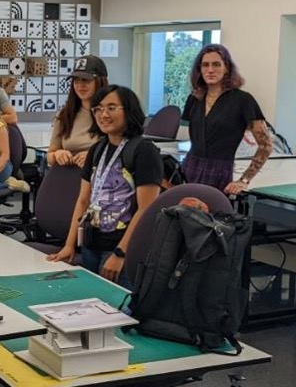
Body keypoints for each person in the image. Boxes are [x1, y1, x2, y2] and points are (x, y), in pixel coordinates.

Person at [46, 86, 162, 285]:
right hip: (92, 244)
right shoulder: (97, 149)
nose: (103, 114)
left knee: (116, 310)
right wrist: (69, 244)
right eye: (98, 109)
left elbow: (146, 209)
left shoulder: (143, 151)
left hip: (121, 247)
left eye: (111, 108)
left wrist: (120, 253)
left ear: (129, 110)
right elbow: (83, 200)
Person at [181, 44, 272, 194]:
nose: (210, 70)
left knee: (210, 216)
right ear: (199, 69)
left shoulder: (243, 100)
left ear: (227, 68)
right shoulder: (194, 98)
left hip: (220, 173)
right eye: (205, 65)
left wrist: (244, 180)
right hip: (189, 169)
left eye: (216, 64)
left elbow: (266, 146)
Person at [48, 56, 108, 168]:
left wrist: (93, 157)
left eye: (86, 80)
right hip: (69, 177)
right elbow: (50, 154)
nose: (80, 85)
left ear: (100, 81)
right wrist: (57, 154)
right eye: (76, 80)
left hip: (102, 179)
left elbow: (122, 152)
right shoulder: (64, 115)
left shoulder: (110, 114)